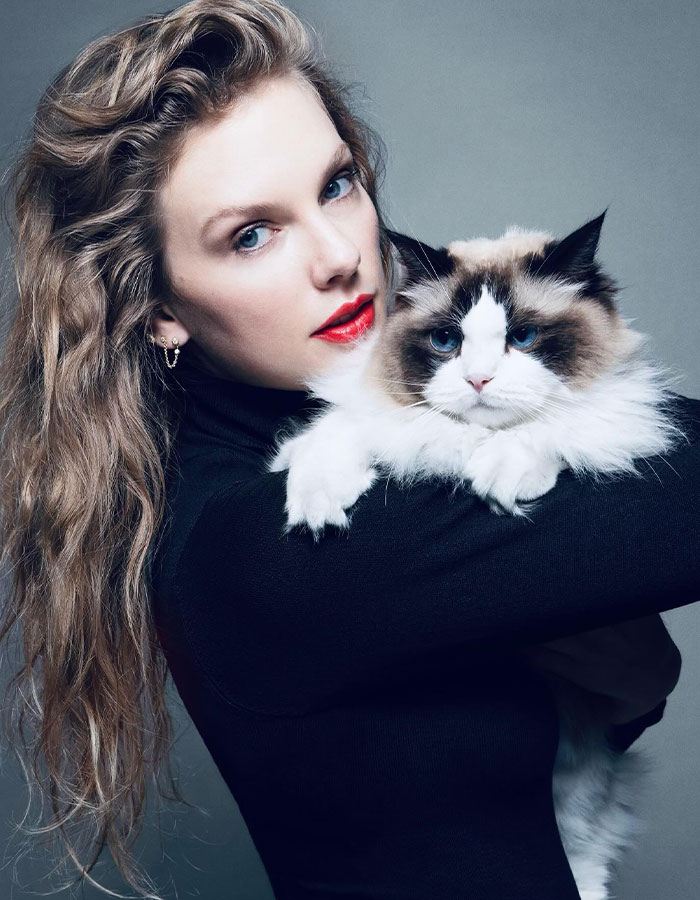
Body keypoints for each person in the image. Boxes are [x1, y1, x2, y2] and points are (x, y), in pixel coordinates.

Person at [0, 1, 697, 898]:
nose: (340, 256)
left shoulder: (384, 430)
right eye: (251, 234)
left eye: (336, 184)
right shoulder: (263, 537)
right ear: (159, 310)